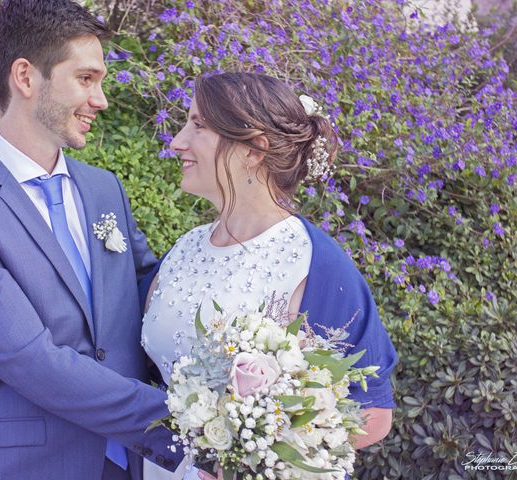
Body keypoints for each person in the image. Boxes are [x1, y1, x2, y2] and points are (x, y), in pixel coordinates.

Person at [0, 1, 182, 479]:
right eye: (86, 79)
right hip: (26, 466)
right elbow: (32, 360)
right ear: (26, 77)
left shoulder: (103, 188)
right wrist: (191, 426)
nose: (101, 99)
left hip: (127, 466)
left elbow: (149, 294)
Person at [139, 73, 397, 479]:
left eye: (198, 125)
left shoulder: (317, 265)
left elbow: (374, 417)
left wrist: (253, 455)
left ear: (254, 150)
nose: (177, 141)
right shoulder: (185, 249)